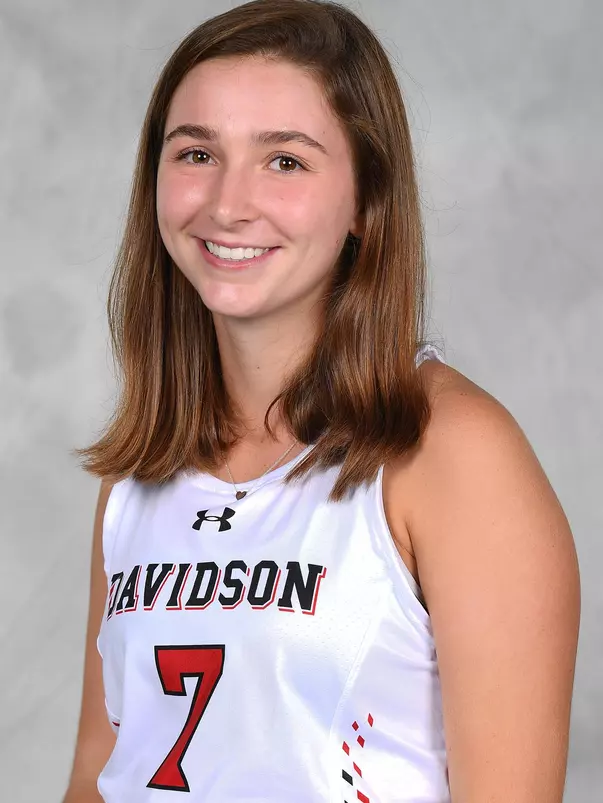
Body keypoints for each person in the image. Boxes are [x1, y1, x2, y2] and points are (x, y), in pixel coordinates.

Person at [62, 1, 580, 801]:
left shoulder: (450, 451)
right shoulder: (137, 474)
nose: (227, 204)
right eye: (195, 152)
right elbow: (97, 779)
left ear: (365, 205)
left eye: (284, 162)